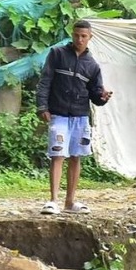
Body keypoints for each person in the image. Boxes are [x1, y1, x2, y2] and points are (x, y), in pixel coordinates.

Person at [36, 20, 112, 215]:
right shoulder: (57, 54)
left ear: (90, 37)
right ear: (72, 34)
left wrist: (103, 97)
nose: (79, 39)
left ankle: (70, 202)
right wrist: (42, 106)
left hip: (80, 116)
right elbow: (45, 81)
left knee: (76, 156)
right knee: (57, 154)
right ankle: (53, 200)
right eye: (77, 35)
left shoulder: (92, 65)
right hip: (58, 113)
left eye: (84, 36)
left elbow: (95, 95)